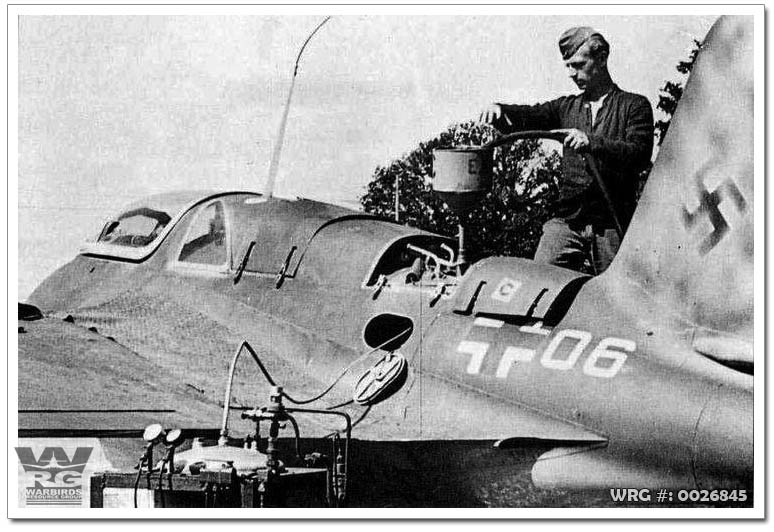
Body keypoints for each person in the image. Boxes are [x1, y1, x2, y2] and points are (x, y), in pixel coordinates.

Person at [479, 27, 654, 274]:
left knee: (619, 299)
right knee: (538, 280)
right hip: (568, 223)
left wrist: (591, 142)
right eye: (568, 66)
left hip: (613, 224)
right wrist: (500, 110)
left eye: (579, 65)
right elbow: (531, 115)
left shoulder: (634, 106)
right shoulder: (566, 108)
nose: (572, 74)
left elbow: (639, 154)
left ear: (602, 58)